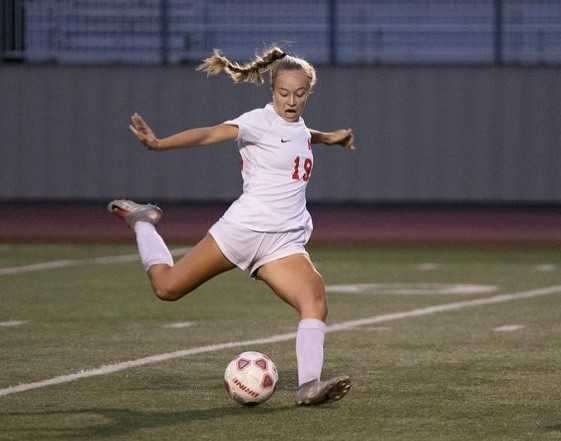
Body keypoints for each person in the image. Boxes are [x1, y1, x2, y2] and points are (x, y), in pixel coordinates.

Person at [108, 46, 355, 406]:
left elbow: (301, 134)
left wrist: (329, 138)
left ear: (308, 94)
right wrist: (159, 144)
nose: (291, 100)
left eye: (299, 94)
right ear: (272, 90)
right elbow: (209, 134)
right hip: (243, 230)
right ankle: (143, 222)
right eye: (283, 93)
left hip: (282, 243)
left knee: (314, 300)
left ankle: (308, 386)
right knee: (167, 288)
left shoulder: (299, 126)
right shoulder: (257, 121)